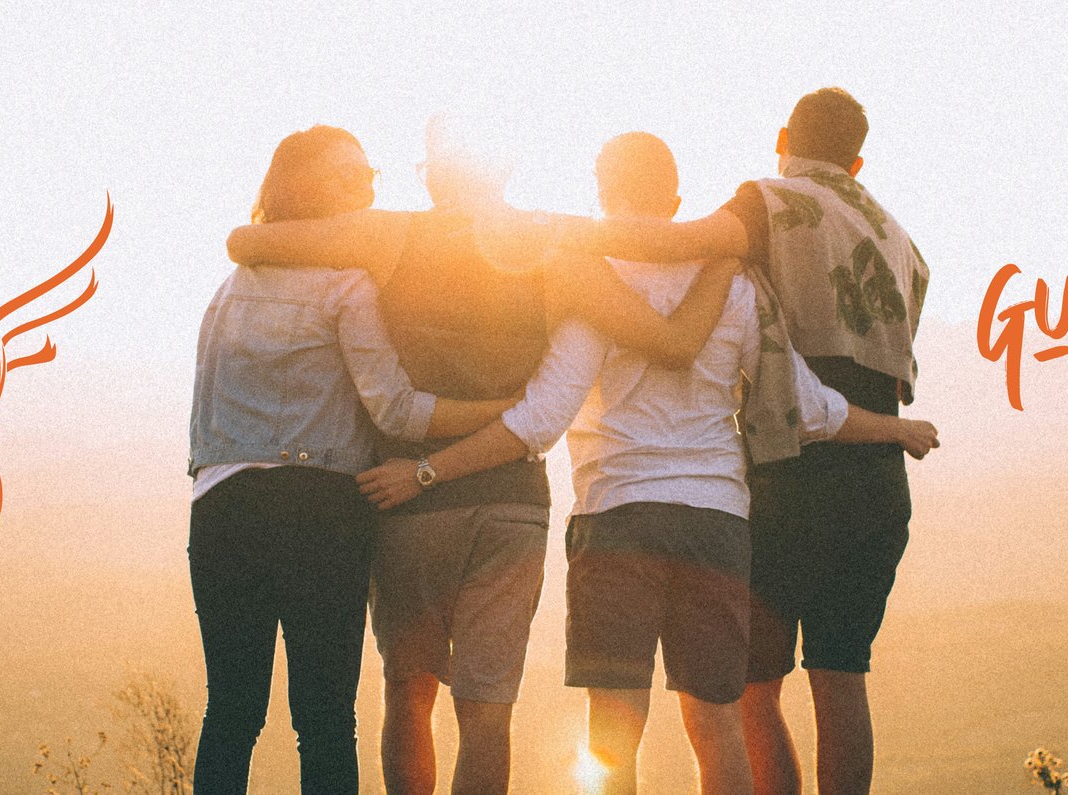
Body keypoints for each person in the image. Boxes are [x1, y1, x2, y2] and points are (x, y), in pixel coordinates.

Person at [355, 132, 936, 795]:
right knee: (717, 727)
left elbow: (541, 418)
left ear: (601, 193)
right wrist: (896, 427)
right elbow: (806, 405)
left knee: (613, 732)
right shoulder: (738, 284)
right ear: (678, 198)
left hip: (617, 521)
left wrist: (430, 469)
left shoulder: (593, 280)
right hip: (716, 524)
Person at [223, 116, 737, 795]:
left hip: (407, 499)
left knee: (409, 693)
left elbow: (245, 240)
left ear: (436, 174)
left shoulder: (388, 234)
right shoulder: (555, 250)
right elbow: (669, 342)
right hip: (512, 505)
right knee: (487, 711)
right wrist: (729, 253)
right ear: (504, 170)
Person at [186, 125, 515, 793]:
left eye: (370, 173)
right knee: (326, 716)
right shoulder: (346, 285)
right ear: (310, 189)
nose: (368, 185)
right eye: (351, 176)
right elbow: (394, 409)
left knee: (231, 710)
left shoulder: (229, 288)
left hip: (219, 507)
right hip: (318, 509)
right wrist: (495, 411)